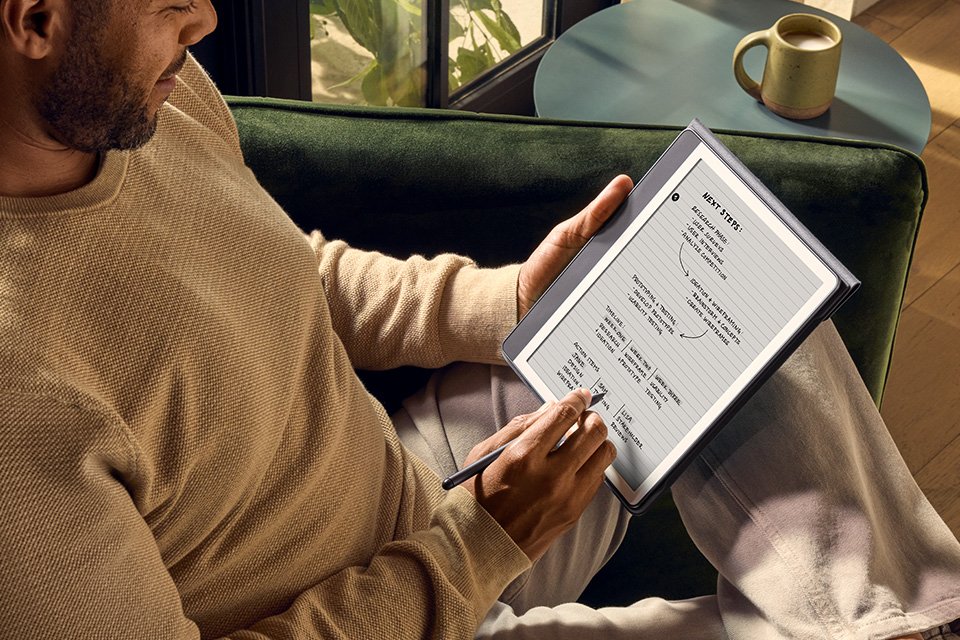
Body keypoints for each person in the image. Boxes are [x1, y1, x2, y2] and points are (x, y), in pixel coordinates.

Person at [0, 1, 957, 638]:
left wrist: (508, 306)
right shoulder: (18, 407)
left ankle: (912, 620)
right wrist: (481, 542)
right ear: (36, 19)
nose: (204, 16)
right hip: (407, 601)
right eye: (165, 0)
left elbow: (287, 272)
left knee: (744, 303)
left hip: (422, 478)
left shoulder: (151, 104)